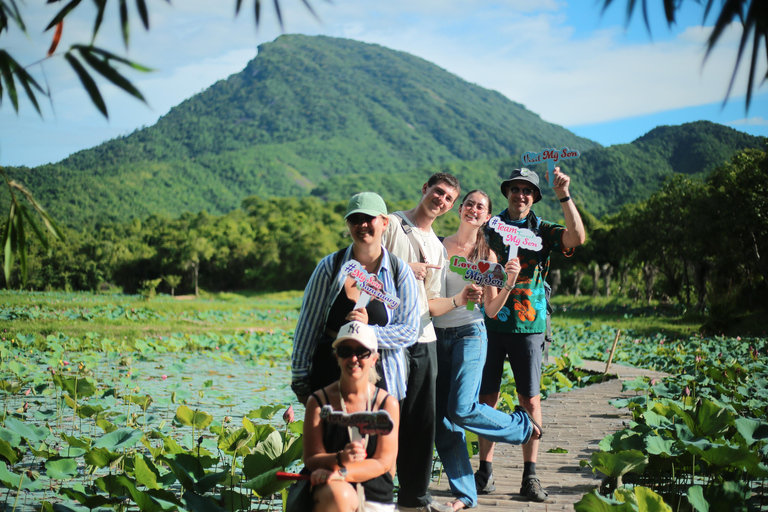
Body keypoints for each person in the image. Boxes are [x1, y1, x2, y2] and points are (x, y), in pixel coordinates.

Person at [475, 167, 586, 502]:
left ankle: (530, 475)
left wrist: (564, 194)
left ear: (534, 197)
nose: (520, 195)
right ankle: (485, 471)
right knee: (486, 400)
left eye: (527, 191)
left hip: (529, 326)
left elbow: (577, 237)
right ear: (507, 193)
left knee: (530, 400)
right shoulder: (490, 227)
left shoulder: (542, 230)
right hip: (490, 323)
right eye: (515, 189)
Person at [430, 190, 542, 510]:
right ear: (460, 209)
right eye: (469, 204)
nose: (473, 209)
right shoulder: (438, 246)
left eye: (481, 206)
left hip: (471, 334)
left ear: (487, 216)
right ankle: (466, 493)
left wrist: (509, 281)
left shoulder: (488, 257)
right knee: (445, 424)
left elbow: (492, 310)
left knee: (462, 408)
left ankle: (520, 426)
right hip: (437, 336)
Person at [292, 192, 420, 405]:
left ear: (385, 222)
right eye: (355, 219)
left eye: (369, 218)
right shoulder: (330, 267)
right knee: (332, 437)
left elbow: (410, 330)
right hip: (329, 376)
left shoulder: (400, 272)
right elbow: (307, 326)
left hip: (383, 379)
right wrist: (300, 381)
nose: (362, 225)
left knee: (374, 438)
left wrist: (367, 332)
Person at [381, 172, 460, 512]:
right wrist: (401, 267)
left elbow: (432, 304)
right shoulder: (391, 225)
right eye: (437, 192)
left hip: (424, 338)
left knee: (422, 422)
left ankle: (413, 499)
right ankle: (377, 497)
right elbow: (362, 269)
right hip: (387, 337)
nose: (440, 200)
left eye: (448, 199)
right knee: (383, 418)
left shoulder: (439, 249)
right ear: (424, 188)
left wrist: (461, 300)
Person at [302, 320, 401, 512]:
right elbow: (311, 458)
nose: (353, 358)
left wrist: (342, 472)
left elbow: (383, 463)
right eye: (345, 351)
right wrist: (339, 459)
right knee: (341, 495)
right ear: (337, 357)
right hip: (332, 492)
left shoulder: (388, 404)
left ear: (374, 358)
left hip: (375, 495)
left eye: (362, 352)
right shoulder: (318, 402)